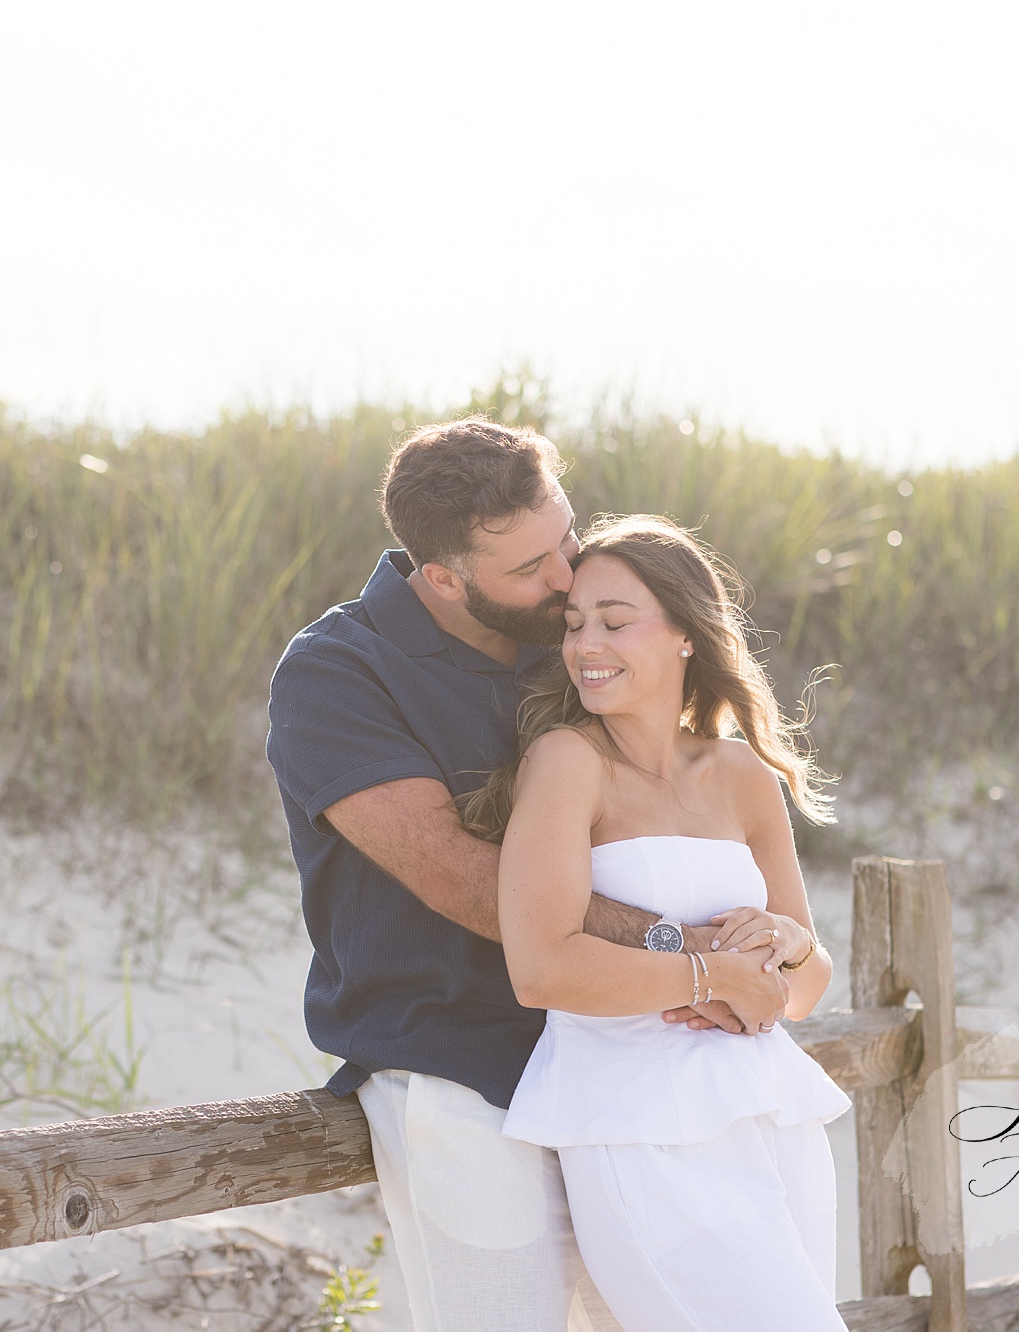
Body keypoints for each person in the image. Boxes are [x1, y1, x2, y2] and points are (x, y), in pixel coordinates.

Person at [265, 420, 781, 1331]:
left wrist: (766, 941)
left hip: (623, 1057)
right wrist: (689, 949)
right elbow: (465, 879)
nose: (565, 574)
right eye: (531, 566)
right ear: (444, 579)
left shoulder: (575, 635)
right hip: (460, 1073)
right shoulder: (338, 673)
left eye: (566, 538)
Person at [461, 513, 851, 1332]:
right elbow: (542, 965)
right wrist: (708, 973)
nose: (584, 644)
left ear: (684, 634)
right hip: (636, 1123)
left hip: (770, 1118)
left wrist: (786, 944)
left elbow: (808, 988)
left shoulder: (743, 774)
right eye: (573, 625)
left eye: (613, 620)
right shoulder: (569, 762)